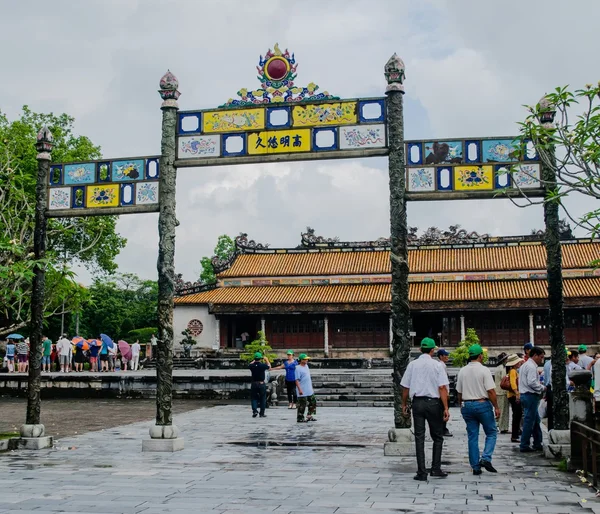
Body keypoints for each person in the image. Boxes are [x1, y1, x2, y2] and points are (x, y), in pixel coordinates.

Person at [401, 337, 450, 481]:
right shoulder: (438, 365)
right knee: (437, 437)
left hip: (417, 403)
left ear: (420, 349)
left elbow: (405, 387)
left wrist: (404, 404)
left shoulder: (412, 365)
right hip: (434, 403)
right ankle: (435, 468)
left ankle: (421, 471)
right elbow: (442, 387)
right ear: (433, 350)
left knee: (419, 437)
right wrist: (446, 407)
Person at [456, 344, 500, 475]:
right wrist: (496, 406)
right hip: (482, 404)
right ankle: (486, 457)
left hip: (467, 404)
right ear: (480, 355)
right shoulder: (484, 370)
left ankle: (475, 466)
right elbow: (491, 391)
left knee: (472, 436)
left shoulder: (462, 370)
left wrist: (461, 404)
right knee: (491, 432)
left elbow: (459, 392)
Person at [519, 346, 546, 453]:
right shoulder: (530, 366)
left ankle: (537, 442)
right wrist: (542, 387)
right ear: (535, 355)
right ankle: (524, 444)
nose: (541, 360)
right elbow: (531, 382)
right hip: (530, 395)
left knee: (535, 420)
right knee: (529, 421)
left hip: (527, 395)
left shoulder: (526, 365)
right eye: (541, 357)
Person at [505, 354, 524, 443]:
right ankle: (514, 435)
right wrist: (517, 393)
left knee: (517, 415)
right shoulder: (513, 371)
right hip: (514, 395)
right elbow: (513, 383)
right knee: (517, 415)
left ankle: (515, 435)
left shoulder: (512, 371)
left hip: (512, 395)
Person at [295, 353, 317, 423]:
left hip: (309, 389)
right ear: (301, 360)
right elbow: (297, 380)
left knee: (313, 402)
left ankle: (309, 415)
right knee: (302, 404)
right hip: (302, 389)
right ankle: (300, 417)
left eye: (307, 359)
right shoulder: (297, 368)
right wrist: (299, 389)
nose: (307, 360)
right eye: (305, 359)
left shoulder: (306, 366)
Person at [249, 352, 271, 418]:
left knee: (254, 398)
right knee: (262, 398)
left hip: (254, 383)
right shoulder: (262, 365)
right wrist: (266, 360)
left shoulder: (251, 366)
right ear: (260, 359)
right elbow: (269, 367)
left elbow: (250, 364)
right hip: (261, 383)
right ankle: (262, 413)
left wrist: (254, 360)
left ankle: (255, 410)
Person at [437, 348, 452, 437]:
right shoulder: (440, 365)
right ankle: (442, 429)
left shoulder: (443, 365)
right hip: (443, 393)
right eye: (445, 355)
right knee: (443, 411)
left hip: (444, 392)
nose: (447, 357)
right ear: (441, 356)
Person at [493, 352, 509, 434]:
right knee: (502, 410)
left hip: (499, 391)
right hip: (501, 392)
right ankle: (501, 426)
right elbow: (504, 378)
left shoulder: (499, 368)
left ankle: (503, 426)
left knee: (502, 410)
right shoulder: (502, 368)